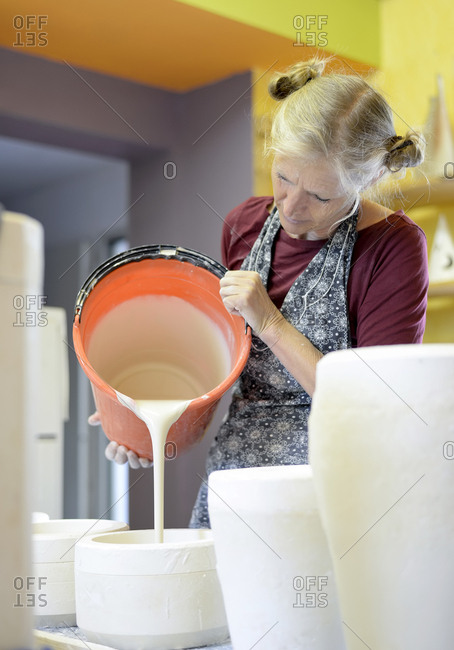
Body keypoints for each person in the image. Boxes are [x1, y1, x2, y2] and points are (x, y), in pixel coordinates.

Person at [92, 58, 429, 528]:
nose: (292, 207)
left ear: (369, 180)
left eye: (321, 196)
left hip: (334, 491)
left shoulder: (394, 246)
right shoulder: (244, 225)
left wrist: (269, 322)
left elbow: (373, 405)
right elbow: (217, 375)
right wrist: (145, 429)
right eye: (284, 178)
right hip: (234, 481)